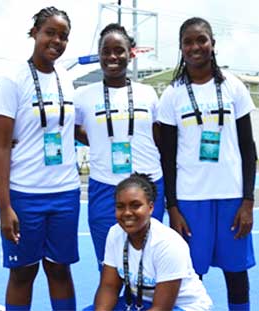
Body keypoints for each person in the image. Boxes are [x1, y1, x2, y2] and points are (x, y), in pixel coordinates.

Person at [158, 17, 258, 310]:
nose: (195, 47)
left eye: (201, 40)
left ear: (213, 44)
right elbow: (167, 157)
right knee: (191, 277)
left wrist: (248, 201)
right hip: (190, 200)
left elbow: (248, 148)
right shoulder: (172, 95)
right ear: (181, 48)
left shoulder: (234, 87)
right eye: (188, 42)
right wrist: (173, 207)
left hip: (231, 197)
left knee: (236, 274)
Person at [0, 7, 80, 311]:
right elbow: (1, 146)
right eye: (50, 33)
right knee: (23, 272)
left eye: (63, 36)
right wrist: (5, 207)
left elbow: (75, 129)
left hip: (65, 192)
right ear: (34, 33)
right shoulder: (12, 81)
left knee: (59, 269)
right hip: (24, 195)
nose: (57, 40)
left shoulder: (67, 80)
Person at [74, 24, 165, 270]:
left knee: (147, 264)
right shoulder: (83, 96)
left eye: (119, 50)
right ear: (99, 54)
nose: (112, 57)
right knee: (109, 265)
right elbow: (68, 128)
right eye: (106, 51)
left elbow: (160, 138)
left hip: (149, 185)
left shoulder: (148, 94)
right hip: (105, 188)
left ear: (130, 53)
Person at [90, 173, 212, 311]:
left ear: (151, 207)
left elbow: (161, 308)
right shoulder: (115, 233)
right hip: (139, 302)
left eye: (135, 205)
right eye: (120, 206)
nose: (127, 213)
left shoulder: (168, 244)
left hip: (181, 307)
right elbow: (109, 287)